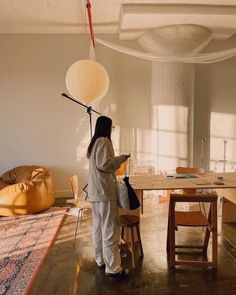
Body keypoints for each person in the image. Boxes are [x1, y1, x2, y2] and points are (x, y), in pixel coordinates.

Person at [87, 116, 130, 278]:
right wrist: (121, 159)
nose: (111, 130)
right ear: (106, 127)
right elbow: (105, 164)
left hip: (96, 193)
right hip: (104, 193)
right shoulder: (104, 141)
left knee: (98, 228)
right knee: (110, 229)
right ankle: (113, 268)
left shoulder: (94, 143)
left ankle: (101, 260)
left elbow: (100, 164)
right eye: (111, 127)